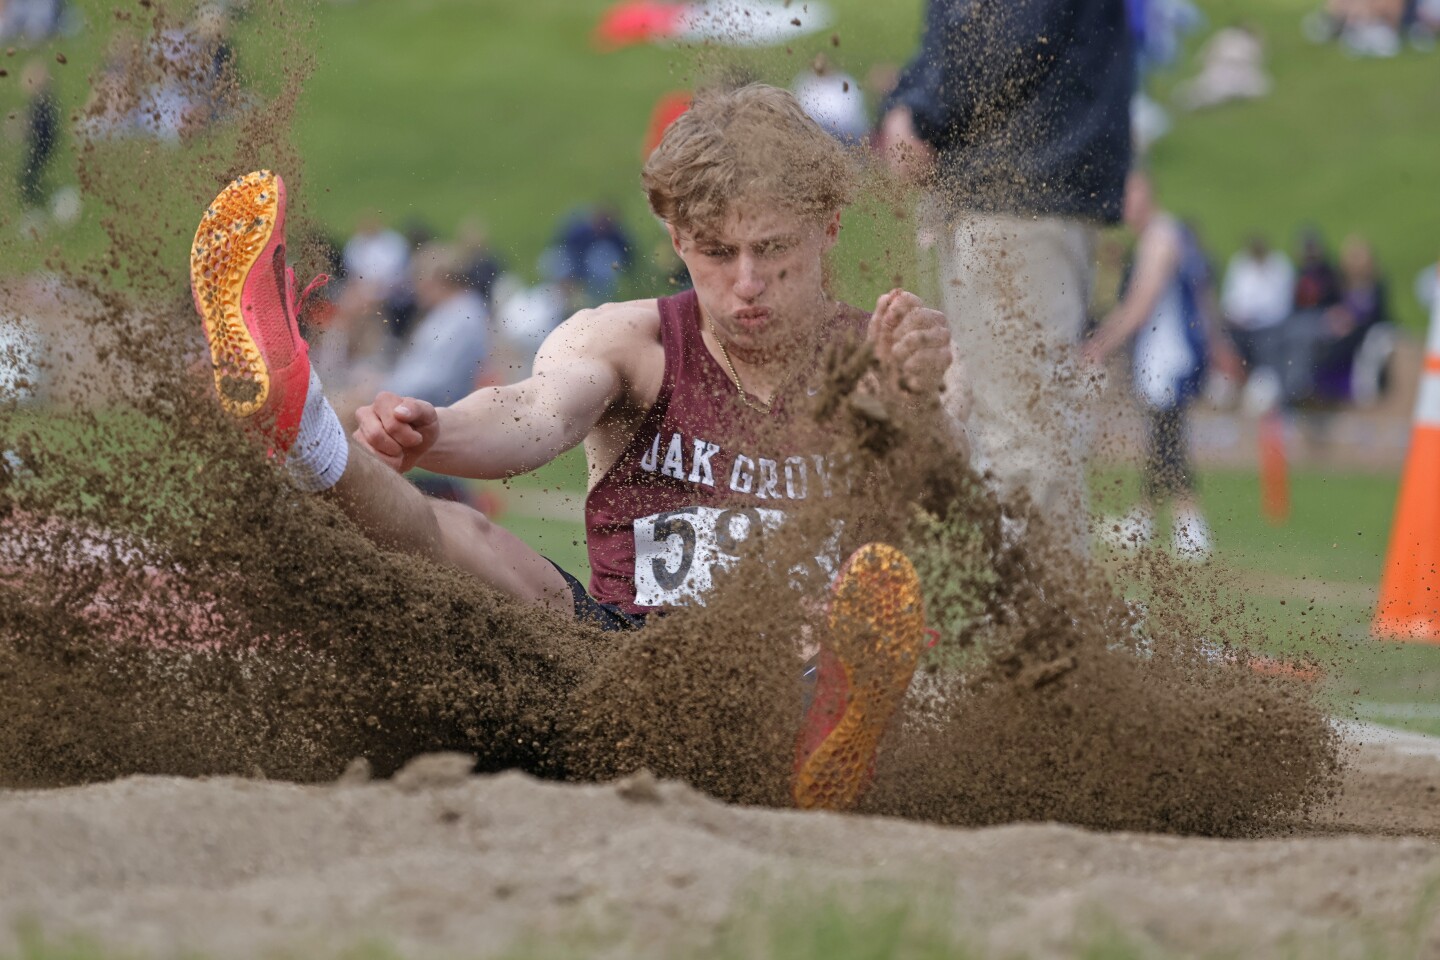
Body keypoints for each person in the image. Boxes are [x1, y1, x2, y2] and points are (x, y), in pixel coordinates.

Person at [188, 85, 959, 811]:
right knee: (465, 532)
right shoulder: (632, 340)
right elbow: (536, 411)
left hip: (796, 677)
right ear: (678, 239)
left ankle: (823, 740)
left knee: (853, 610)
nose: (747, 282)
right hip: (617, 668)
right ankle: (304, 428)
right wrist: (437, 431)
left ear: (827, 227)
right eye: (718, 253)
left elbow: (956, 504)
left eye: (773, 248)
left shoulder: (884, 354)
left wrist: (914, 402)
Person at [876, 0, 1133, 555]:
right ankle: (1048, 622)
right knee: (1010, 427)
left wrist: (916, 113)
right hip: (1007, 190)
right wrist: (907, 105)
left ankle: (1046, 632)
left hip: (1017, 193)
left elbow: (1007, 36)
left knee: (1020, 437)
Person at [1083, 173, 1217, 560]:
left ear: (1145, 196)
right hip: (1160, 356)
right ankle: (1144, 520)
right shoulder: (1156, 237)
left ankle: (1189, 526)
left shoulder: (1160, 237)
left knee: (1168, 441)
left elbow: (1139, 305)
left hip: (1169, 356)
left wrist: (1100, 345)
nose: (1123, 207)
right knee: (1162, 441)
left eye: (1129, 196)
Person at [1219, 233, 1294, 412]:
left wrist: (1254, 316)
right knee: (1223, 339)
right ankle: (1230, 381)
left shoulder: (1280, 266)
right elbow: (1230, 299)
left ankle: (1264, 387)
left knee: (1268, 344)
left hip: (1268, 328)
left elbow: (1281, 306)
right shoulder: (1240, 264)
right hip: (1239, 327)